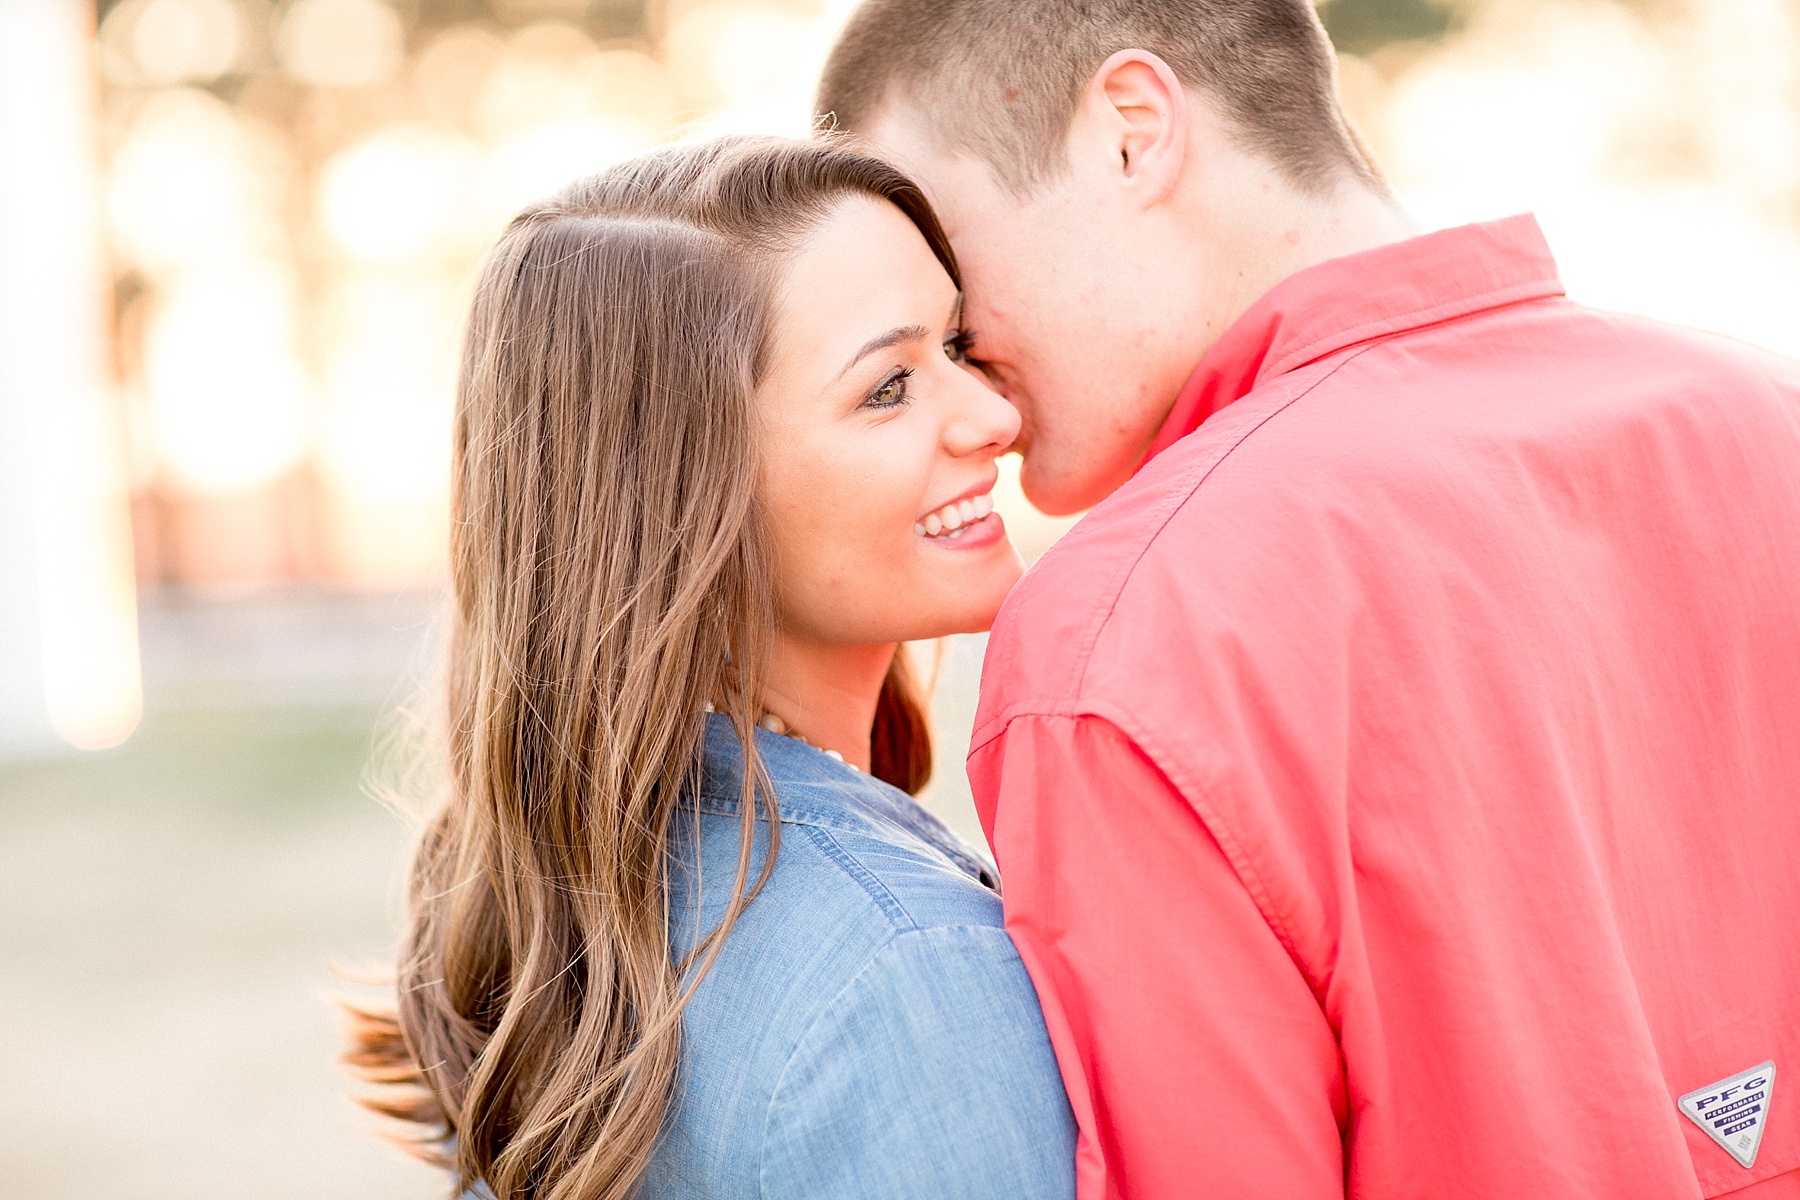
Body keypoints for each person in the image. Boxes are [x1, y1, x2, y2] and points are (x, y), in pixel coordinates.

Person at [819, 2, 1800, 1198]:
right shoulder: (1772, 421)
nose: (953, 337)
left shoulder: (1131, 630)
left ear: (1131, 129)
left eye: (948, 257)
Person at [343, 136, 1076, 1200]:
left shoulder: (561, 913)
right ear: (685, 500)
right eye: (888, 388)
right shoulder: (903, 972)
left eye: (958, 346)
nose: (995, 419)